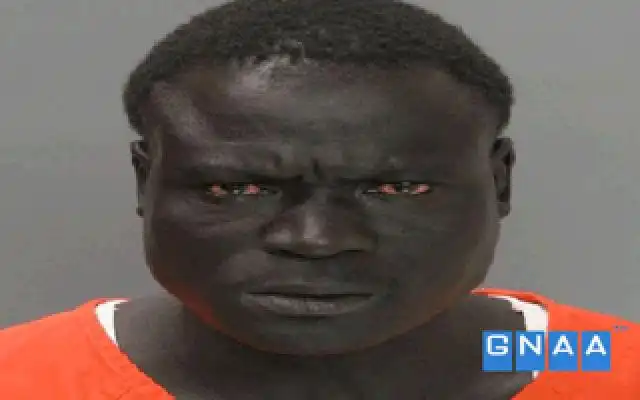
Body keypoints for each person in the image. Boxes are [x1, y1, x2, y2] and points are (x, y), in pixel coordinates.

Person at [1, 0, 638, 398]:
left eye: (396, 188)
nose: (316, 240)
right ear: (148, 182)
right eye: (238, 187)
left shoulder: (607, 366)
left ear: (499, 183)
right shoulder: (18, 378)